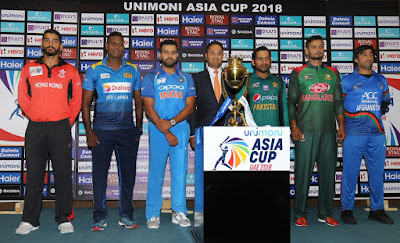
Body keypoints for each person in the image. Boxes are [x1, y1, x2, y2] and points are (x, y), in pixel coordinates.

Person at [16, 29, 82, 234]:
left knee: (62, 175)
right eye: (47, 40)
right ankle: (29, 220)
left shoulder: (70, 71)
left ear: (61, 47)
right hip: (35, 127)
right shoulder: (29, 68)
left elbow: (76, 102)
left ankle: (63, 218)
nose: (51, 44)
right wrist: (37, 115)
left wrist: (63, 122)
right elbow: (23, 99)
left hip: (61, 127)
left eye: (55, 41)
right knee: (34, 175)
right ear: (42, 44)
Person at [81, 31, 143, 231]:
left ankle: (126, 214)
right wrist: (89, 131)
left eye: (120, 44)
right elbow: (85, 104)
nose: (117, 46)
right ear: (106, 46)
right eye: (113, 44)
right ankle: (99, 216)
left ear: (124, 47)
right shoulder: (94, 70)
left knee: (128, 175)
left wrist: (138, 127)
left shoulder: (133, 70)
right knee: (99, 175)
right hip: (101, 132)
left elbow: (139, 101)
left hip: (127, 131)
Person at [288, 35, 346, 227]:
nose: (318, 50)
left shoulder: (333, 73)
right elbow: (291, 102)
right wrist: (294, 126)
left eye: (321, 47)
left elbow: (338, 101)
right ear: (306, 51)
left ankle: (325, 212)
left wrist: (341, 126)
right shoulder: (298, 72)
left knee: (328, 173)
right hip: (305, 130)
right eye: (314, 47)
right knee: (303, 174)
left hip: (328, 130)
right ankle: (300, 213)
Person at [142, 40, 196, 229]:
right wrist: (165, 129)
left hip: (180, 128)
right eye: (166, 52)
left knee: (180, 173)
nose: (170, 56)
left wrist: (171, 124)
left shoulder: (186, 78)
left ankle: (179, 211)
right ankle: (152, 213)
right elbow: (148, 108)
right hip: (157, 129)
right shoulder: (151, 78)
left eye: (173, 52)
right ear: (160, 55)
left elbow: (190, 107)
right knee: (156, 172)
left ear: (177, 55)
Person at [340, 45, 393, 225]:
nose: (368, 57)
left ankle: (377, 209)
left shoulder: (381, 80)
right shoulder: (347, 80)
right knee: (350, 173)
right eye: (364, 55)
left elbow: (385, 102)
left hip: (377, 134)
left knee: (377, 174)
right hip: (353, 134)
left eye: (371, 54)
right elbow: (339, 106)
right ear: (356, 59)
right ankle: (347, 209)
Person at [188, 41, 227, 226]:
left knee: (224, 176)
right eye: (212, 53)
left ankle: (222, 212)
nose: (216, 56)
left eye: (219, 53)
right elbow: (191, 109)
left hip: (228, 135)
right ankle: (201, 214)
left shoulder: (231, 77)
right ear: (206, 55)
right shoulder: (195, 78)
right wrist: (192, 134)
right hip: (203, 133)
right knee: (204, 176)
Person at [245, 46, 289, 126]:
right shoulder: (246, 81)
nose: (264, 62)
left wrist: (286, 130)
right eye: (260, 59)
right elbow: (241, 108)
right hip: (252, 132)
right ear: (253, 62)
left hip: (276, 133)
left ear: (271, 61)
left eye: (267, 58)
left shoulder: (278, 81)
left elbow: (284, 108)